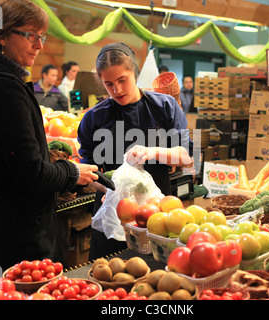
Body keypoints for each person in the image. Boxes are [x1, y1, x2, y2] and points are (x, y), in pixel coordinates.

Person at [0, 0, 100, 291]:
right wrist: (71, 172)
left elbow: (21, 161)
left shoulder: (0, 82)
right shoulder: (4, 90)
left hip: (10, 226)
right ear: (2, 36)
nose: (39, 44)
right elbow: (30, 173)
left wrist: (70, 171)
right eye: (31, 35)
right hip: (14, 236)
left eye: (42, 36)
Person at [77, 43, 193, 260]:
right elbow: (90, 170)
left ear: (135, 74)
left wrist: (152, 151)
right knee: (109, 273)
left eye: (122, 80)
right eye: (109, 84)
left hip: (157, 212)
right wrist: (113, 192)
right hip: (113, 212)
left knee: (156, 274)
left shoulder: (165, 107)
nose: (117, 90)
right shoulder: (93, 118)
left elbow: (185, 156)